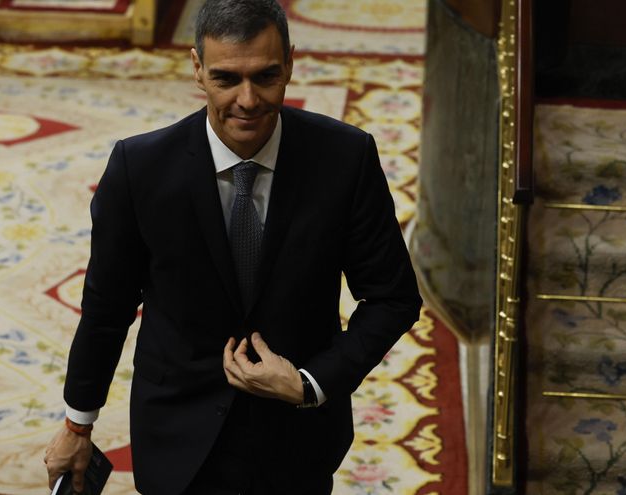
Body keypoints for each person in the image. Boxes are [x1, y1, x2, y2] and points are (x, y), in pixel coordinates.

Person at [43, 0, 422, 493]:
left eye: (265, 76)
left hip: (297, 440)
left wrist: (310, 382)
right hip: (176, 437)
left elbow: (393, 298)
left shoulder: (345, 159)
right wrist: (78, 424)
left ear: (290, 63)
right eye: (226, 79)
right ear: (197, 69)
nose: (247, 100)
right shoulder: (140, 169)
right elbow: (107, 309)